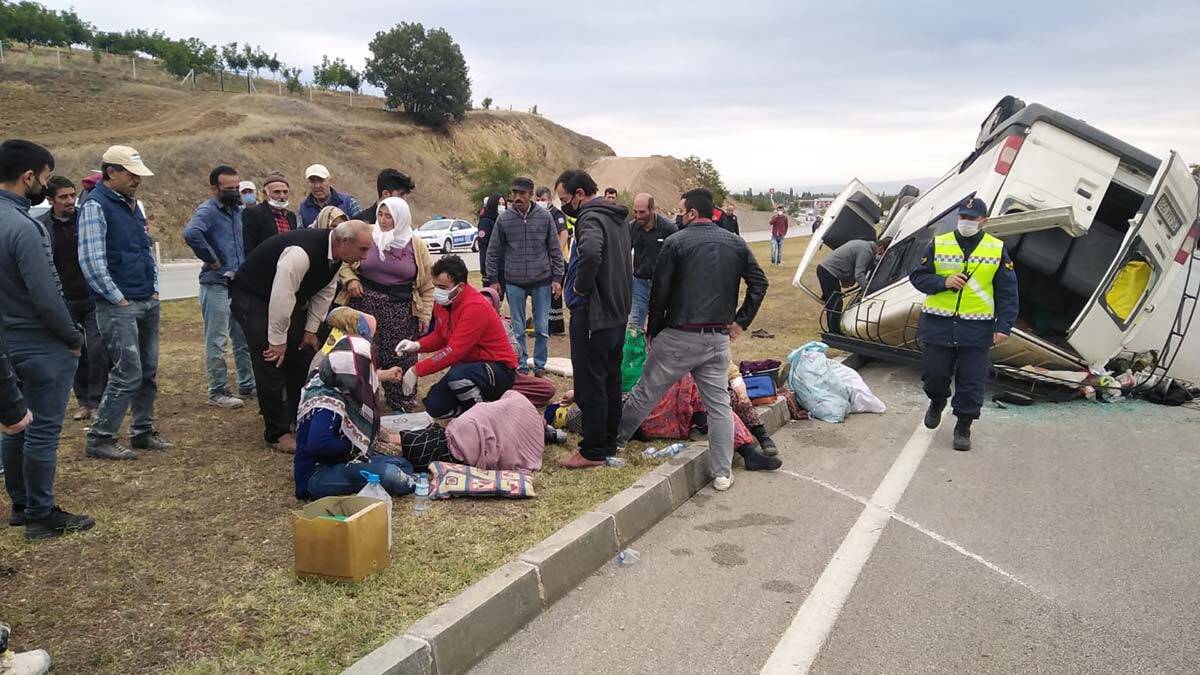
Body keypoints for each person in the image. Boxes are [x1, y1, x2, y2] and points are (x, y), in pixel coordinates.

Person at [614, 187, 773, 489]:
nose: (679, 215)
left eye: (681, 210)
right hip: (716, 338)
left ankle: (617, 440)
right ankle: (722, 472)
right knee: (719, 405)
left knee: (646, 391)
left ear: (692, 212)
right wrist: (740, 322)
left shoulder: (675, 242)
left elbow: (660, 291)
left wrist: (653, 329)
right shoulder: (736, 243)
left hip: (679, 335)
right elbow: (759, 283)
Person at [0, 139, 93, 538]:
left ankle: (21, 505)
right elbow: (47, 295)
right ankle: (40, 513)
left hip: (6, 344)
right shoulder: (26, 227)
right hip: (39, 344)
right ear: (29, 177)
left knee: (14, 423)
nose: (44, 184)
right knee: (41, 429)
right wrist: (72, 336)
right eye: (44, 176)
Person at [231, 220, 374, 453]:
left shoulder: (338, 255)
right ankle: (277, 433)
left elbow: (325, 291)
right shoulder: (300, 254)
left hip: (285, 299)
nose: (365, 256)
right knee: (271, 358)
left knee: (301, 353)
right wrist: (277, 341)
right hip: (254, 296)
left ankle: (298, 414)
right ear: (344, 241)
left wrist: (309, 331)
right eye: (363, 249)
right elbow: (282, 296)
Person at [78, 145, 170, 461]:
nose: (137, 180)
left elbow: (145, 249)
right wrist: (116, 298)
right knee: (128, 372)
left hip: (144, 298)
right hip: (118, 305)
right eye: (131, 174)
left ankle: (142, 431)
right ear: (111, 172)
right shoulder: (95, 206)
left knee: (147, 371)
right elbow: (91, 260)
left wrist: (153, 289)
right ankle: (100, 437)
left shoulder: (132, 205)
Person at [909, 196, 1017, 451]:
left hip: (977, 327)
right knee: (934, 374)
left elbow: (1008, 292)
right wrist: (943, 282)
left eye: (971, 218)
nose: (965, 222)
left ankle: (963, 426)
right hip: (939, 323)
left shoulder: (996, 249)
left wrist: (1004, 326)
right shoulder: (939, 244)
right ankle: (937, 401)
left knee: (972, 380)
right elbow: (918, 277)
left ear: (984, 220)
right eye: (962, 217)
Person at [555, 169, 632, 469]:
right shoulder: (616, 217)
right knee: (611, 378)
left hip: (593, 314)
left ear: (580, 194)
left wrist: (580, 288)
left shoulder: (590, 218)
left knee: (591, 381)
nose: (564, 206)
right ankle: (608, 440)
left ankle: (592, 451)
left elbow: (590, 254)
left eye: (565, 199)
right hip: (616, 313)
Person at [294, 332, 417, 500]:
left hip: (343, 460)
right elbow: (318, 444)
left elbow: (366, 376)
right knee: (391, 475)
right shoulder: (326, 400)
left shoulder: (337, 376)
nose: (368, 371)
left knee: (402, 464)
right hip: (317, 473)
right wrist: (353, 446)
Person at [340, 197, 435, 411]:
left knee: (399, 354)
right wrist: (351, 279)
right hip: (365, 304)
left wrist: (425, 314)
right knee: (364, 353)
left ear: (401, 218)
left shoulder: (415, 244)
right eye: (380, 215)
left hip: (400, 308)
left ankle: (401, 401)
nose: (383, 220)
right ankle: (361, 399)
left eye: (389, 216)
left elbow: (427, 285)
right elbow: (344, 260)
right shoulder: (368, 235)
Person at [395, 255, 517, 420]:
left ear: (460, 287)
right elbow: (440, 336)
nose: (437, 291)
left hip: (497, 369)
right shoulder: (444, 303)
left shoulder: (475, 307)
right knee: (434, 405)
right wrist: (417, 345)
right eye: (435, 285)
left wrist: (416, 370)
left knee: (457, 376)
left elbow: (454, 351)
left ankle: (484, 418)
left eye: (442, 287)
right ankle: (473, 410)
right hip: (469, 368)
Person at [182, 165, 256, 409]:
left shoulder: (238, 211)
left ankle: (247, 383)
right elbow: (191, 233)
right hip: (216, 283)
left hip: (237, 284)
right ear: (214, 189)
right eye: (229, 188)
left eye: (237, 187)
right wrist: (211, 258)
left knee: (242, 337)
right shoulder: (208, 211)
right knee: (217, 340)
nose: (235, 192)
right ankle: (217, 390)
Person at [37, 175, 108, 421]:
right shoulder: (41, 226)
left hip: (93, 296)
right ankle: (83, 402)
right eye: (63, 197)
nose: (70, 201)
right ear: (50, 200)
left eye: (72, 195)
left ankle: (97, 401)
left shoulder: (85, 219)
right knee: (76, 351)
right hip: (64, 299)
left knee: (98, 350)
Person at [485, 177, 564, 377]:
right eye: (515, 193)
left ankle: (539, 366)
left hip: (542, 280)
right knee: (518, 329)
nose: (517, 197)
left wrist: (557, 278)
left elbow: (555, 249)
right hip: (514, 281)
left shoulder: (545, 217)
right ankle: (520, 365)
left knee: (542, 327)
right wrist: (493, 280)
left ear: (530, 194)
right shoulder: (504, 219)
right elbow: (493, 251)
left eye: (522, 193)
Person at [480, 286, 557, 407]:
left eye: (488, 307)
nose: (484, 311)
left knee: (547, 389)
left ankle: (501, 400)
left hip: (504, 375)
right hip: (480, 376)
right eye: (481, 306)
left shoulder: (502, 325)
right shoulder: (468, 325)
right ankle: (502, 400)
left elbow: (516, 352)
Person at [815, 237, 890, 334]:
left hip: (826, 270)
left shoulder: (865, 246)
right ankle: (834, 332)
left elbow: (867, 265)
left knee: (833, 301)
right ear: (881, 248)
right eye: (883, 253)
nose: (881, 255)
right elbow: (859, 274)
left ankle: (833, 330)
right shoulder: (866, 251)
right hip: (828, 272)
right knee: (835, 303)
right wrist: (868, 291)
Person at [628, 192, 677, 332]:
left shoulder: (669, 228)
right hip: (640, 282)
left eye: (642, 212)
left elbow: (678, 257)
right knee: (635, 322)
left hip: (662, 284)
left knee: (659, 323)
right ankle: (634, 346)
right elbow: (624, 252)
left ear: (652, 209)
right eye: (635, 212)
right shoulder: (632, 227)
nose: (638, 216)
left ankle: (654, 343)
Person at [536, 186, 570, 336]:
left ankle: (555, 327)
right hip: (541, 260)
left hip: (555, 261)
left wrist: (556, 253)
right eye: (537, 200)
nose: (540, 202)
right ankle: (548, 325)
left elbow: (564, 234)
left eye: (543, 200)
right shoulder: (536, 214)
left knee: (554, 293)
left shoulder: (556, 214)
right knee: (547, 294)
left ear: (549, 200)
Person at [242, 173, 296, 254]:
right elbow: (249, 246)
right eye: (277, 192)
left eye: (285, 192)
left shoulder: (291, 216)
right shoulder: (253, 213)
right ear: (265, 193)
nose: (282, 196)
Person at [476, 193, 502, 287]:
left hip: (503, 267)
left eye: (503, 204)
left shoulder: (502, 221)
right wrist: (485, 269)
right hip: (490, 268)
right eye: (499, 204)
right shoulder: (485, 222)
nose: (501, 207)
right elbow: (483, 246)